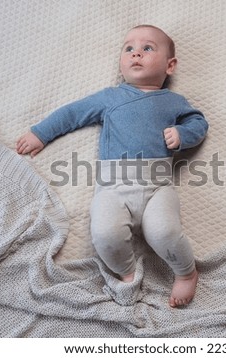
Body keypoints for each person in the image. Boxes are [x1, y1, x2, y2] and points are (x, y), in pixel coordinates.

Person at [16, 25, 208, 307]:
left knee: (164, 231)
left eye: (147, 48)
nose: (136, 54)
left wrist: (182, 135)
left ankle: (186, 273)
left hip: (158, 186)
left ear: (170, 65)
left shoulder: (173, 102)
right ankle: (127, 272)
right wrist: (40, 133)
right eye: (129, 48)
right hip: (113, 188)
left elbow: (199, 123)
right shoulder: (110, 98)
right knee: (105, 233)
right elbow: (73, 113)